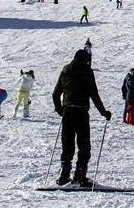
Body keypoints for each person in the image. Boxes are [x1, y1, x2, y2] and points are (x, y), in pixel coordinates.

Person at [52, 49, 112, 187]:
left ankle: (63, 175)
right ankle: (79, 176)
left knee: (67, 145)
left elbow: (55, 94)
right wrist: (104, 112)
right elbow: (94, 94)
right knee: (84, 146)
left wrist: (60, 110)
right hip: (81, 112)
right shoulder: (87, 72)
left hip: (67, 112)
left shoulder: (66, 70)